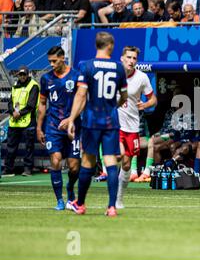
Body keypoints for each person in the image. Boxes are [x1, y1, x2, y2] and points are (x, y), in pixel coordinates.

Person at [61, 32, 128, 217]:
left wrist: (72, 119)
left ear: (97, 45)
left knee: (88, 161)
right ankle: (111, 207)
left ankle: (80, 204)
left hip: (91, 120)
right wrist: (114, 106)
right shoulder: (119, 67)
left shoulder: (87, 66)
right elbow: (124, 96)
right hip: (111, 120)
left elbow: (81, 95)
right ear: (110, 46)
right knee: (111, 161)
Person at [36, 46, 80, 211]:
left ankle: (70, 188)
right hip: (53, 126)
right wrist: (39, 127)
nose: (52, 64)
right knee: (55, 160)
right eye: (50, 62)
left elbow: (82, 101)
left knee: (74, 166)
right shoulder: (46, 78)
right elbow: (42, 104)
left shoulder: (76, 76)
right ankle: (59, 200)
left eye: (54, 61)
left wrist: (71, 119)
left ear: (63, 58)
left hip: (73, 126)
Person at [116, 46, 157, 208]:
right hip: (115, 124)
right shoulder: (114, 75)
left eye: (134, 58)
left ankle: (119, 199)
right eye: (129, 57)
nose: (131, 61)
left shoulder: (142, 78)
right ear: (122, 58)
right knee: (118, 156)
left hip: (132, 127)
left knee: (126, 165)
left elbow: (153, 99)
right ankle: (113, 197)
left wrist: (145, 105)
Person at [3, 66, 40, 177]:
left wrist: (19, 113)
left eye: (24, 74)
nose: (22, 76)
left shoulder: (33, 85)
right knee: (11, 146)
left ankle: (28, 169)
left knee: (29, 146)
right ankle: (8, 169)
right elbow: (10, 102)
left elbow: (31, 104)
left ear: (28, 74)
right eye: (20, 74)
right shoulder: (15, 85)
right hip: (14, 121)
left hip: (28, 120)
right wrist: (12, 112)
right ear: (18, 75)